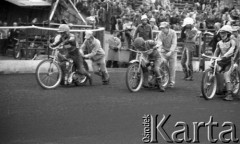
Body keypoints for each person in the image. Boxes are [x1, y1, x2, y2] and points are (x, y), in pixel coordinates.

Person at [214, 25, 237, 101]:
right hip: (222, 60)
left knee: (226, 75)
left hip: (229, 61)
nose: (222, 35)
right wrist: (213, 59)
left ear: (229, 34)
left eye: (224, 33)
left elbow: (232, 50)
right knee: (214, 70)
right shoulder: (219, 43)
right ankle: (215, 89)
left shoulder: (232, 42)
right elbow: (216, 53)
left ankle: (229, 94)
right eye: (221, 33)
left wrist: (225, 55)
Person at [156, 22, 177, 88]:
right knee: (161, 65)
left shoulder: (173, 33)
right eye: (161, 28)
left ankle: (172, 82)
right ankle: (163, 80)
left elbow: (174, 43)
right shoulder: (160, 33)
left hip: (172, 52)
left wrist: (170, 51)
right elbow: (159, 42)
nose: (162, 29)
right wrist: (159, 49)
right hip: (164, 51)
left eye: (163, 28)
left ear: (168, 28)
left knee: (172, 67)